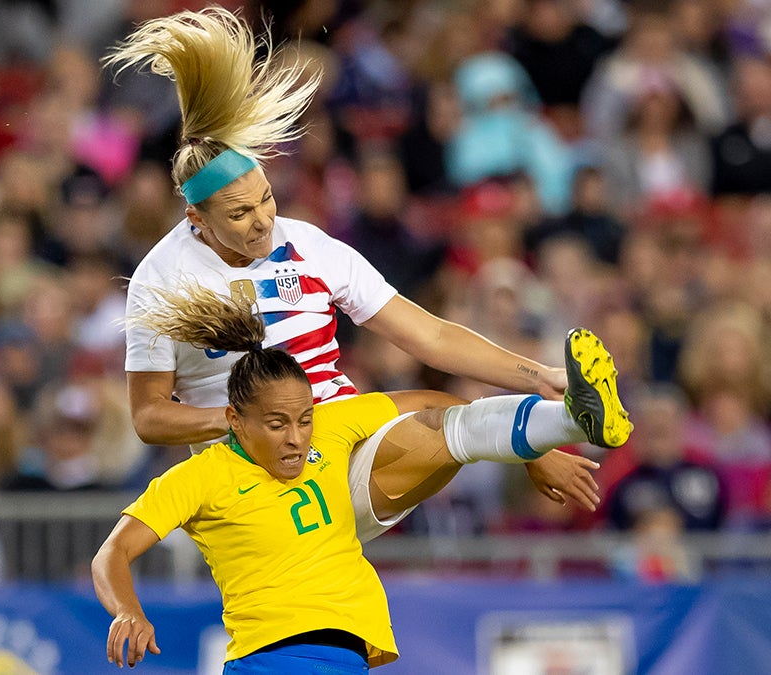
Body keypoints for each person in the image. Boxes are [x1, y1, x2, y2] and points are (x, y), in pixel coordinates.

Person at [109, 8, 617, 525]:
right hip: (263, 467)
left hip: (342, 433)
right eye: (240, 213)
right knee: (454, 426)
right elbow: (150, 416)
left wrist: (541, 376)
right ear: (196, 216)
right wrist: (247, 422)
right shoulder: (162, 279)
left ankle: (567, 415)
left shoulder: (309, 244)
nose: (264, 221)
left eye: (267, 199)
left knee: (444, 405)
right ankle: (557, 426)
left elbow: (431, 338)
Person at [94, 284, 630, 672]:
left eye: (303, 420)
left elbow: (439, 406)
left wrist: (528, 450)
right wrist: (127, 613)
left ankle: (570, 416)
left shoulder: (331, 426)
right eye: (277, 425)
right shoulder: (202, 475)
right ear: (234, 420)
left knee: (438, 432)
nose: (296, 438)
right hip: (269, 658)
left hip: (347, 654)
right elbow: (111, 554)